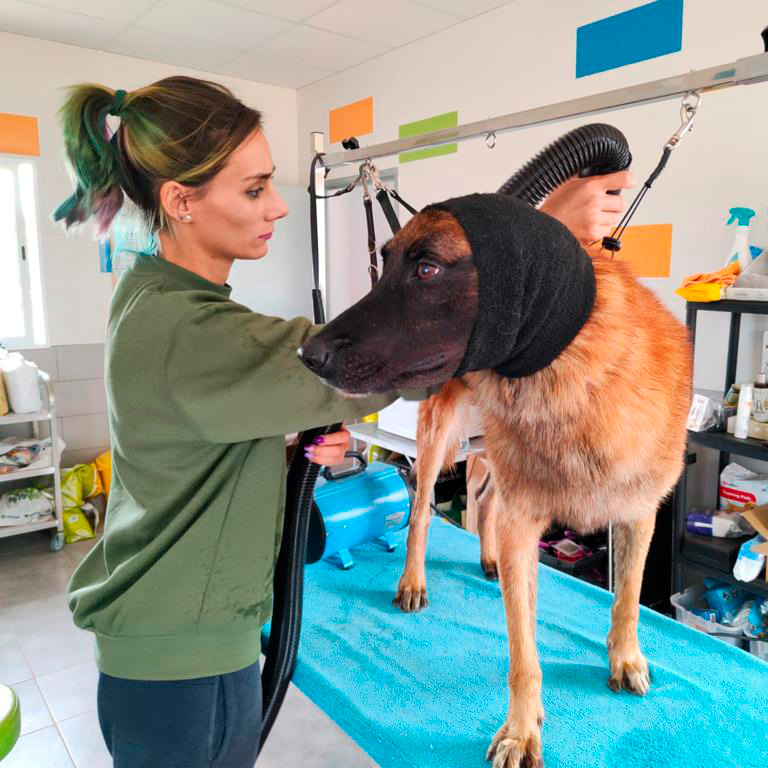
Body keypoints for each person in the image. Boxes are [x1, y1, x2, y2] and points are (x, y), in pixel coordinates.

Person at [54, 75, 633, 767]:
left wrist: (286, 436)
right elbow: (372, 364)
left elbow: (201, 421)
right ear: (181, 200)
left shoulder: (151, 292)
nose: (276, 207)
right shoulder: (191, 329)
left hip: (169, 634)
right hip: (183, 657)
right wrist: (547, 242)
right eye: (254, 188)